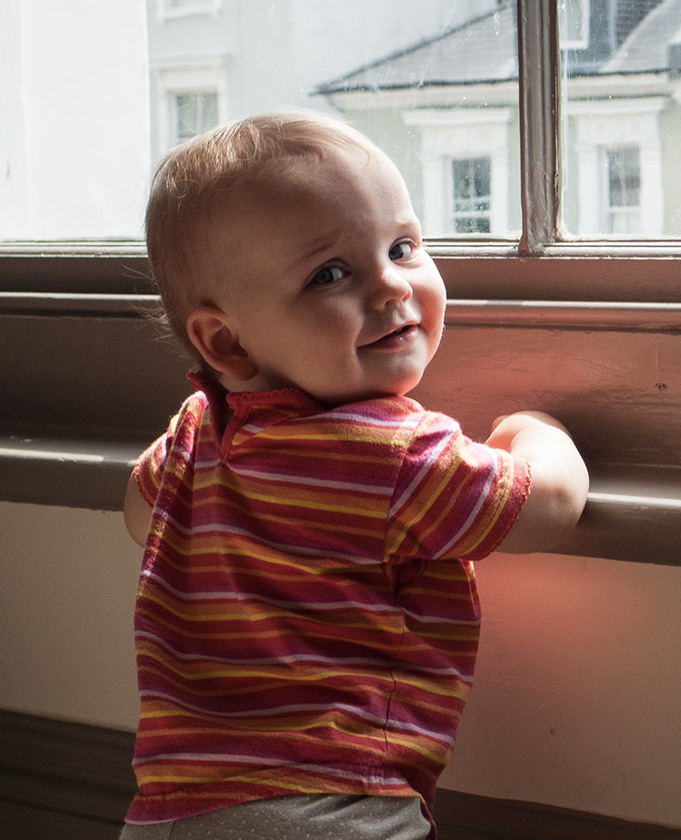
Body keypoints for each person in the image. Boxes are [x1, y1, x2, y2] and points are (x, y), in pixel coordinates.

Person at [119, 109, 589, 840]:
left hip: (168, 812)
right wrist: (538, 430)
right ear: (227, 340)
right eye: (329, 273)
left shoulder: (192, 435)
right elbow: (550, 504)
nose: (392, 287)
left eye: (403, 247)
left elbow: (140, 511)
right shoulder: (391, 454)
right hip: (332, 810)